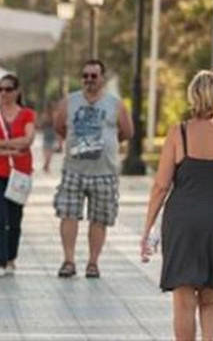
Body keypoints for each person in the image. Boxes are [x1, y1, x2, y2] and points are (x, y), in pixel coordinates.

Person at [140, 70, 213, 341]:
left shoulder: (178, 133)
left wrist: (147, 229)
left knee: (184, 300)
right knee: (212, 299)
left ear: (192, 96)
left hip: (182, 221)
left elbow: (161, 187)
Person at [52, 59, 131, 279]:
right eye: (85, 76)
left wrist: (107, 144)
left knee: (99, 218)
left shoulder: (115, 104)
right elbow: (59, 125)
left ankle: (93, 262)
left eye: (93, 76)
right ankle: (68, 261)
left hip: (104, 172)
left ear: (102, 78)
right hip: (74, 170)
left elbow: (127, 131)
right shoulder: (70, 101)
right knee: (68, 214)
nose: (89, 80)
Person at [0, 74, 36, 277]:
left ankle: (11, 257)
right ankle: (0, 261)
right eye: (0, 89)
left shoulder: (27, 114)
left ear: (17, 91)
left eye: (8, 89)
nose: (3, 93)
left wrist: (2, 143)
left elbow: (28, 139)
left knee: (15, 218)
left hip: (20, 172)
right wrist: (10, 150)